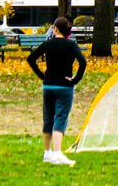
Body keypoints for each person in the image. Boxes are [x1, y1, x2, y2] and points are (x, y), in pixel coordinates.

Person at [27, 17, 86, 166]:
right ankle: (58, 152)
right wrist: (74, 80)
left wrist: (42, 76)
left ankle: (47, 152)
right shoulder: (71, 45)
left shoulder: (48, 44)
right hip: (64, 87)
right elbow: (83, 62)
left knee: (48, 119)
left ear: (55, 29)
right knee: (60, 118)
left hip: (48, 86)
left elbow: (31, 58)